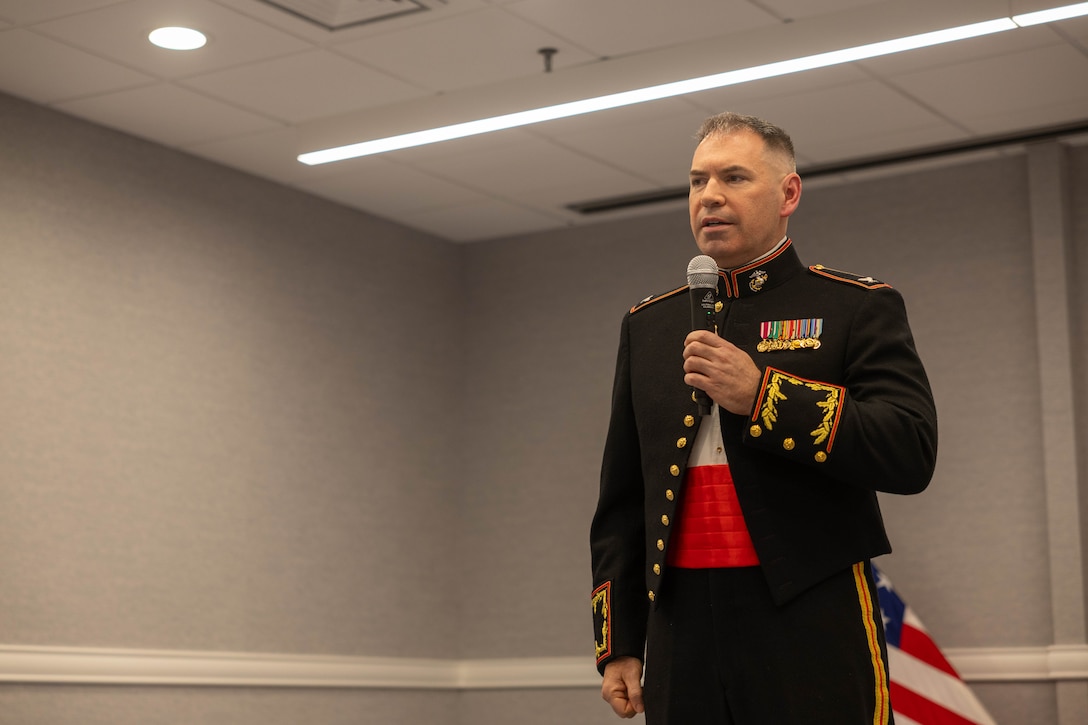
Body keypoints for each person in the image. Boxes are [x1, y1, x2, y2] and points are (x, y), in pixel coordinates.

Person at [589, 111, 938, 724]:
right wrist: (618, 643)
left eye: (733, 177)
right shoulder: (647, 326)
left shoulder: (855, 306)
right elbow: (623, 499)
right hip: (680, 622)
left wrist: (763, 396)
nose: (710, 197)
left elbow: (909, 450)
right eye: (697, 182)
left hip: (807, 607)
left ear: (788, 193)